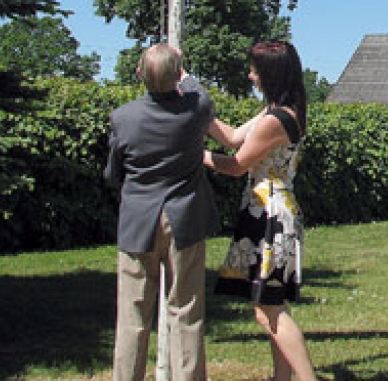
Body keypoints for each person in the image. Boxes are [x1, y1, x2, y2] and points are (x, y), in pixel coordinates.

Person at [104, 44, 220, 381]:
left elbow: (113, 174)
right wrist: (185, 73)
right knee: (186, 312)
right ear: (178, 75)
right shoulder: (196, 109)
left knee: (132, 316)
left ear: (139, 74)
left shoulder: (122, 117)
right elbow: (201, 94)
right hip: (184, 220)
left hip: (137, 221)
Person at [204, 40, 317, 381]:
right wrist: (198, 106)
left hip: (271, 215)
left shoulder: (276, 120)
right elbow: (232, 137)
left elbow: (236, 164)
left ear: (271, 73)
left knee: (267, 309)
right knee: (271, 303)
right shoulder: (277, 111)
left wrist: (196, 156)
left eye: (254, 70)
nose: (250, 75)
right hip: (267, 209)